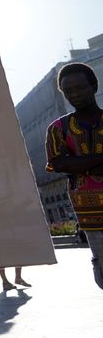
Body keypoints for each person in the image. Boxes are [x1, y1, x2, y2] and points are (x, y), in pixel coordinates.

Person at [45, 62, 103, 290]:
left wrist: (81, 165)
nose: (75, 94)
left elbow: (70, 162)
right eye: (69, 90)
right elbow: (58, 162)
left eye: (80, 87)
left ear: (94, 86)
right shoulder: (58, 128)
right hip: (90, 212)